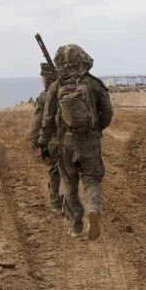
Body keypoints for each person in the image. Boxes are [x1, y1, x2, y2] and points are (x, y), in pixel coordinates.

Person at [38, 44, 113, 240]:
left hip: (66, 143)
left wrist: (43, 143)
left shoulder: (56, 86)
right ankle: (93, 209)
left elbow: (47, 119)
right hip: (90, 141)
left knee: (69, 183)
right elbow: (108, 113)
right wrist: (96, 129)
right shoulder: (94, 84)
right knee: (91, 180)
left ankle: (76, 225)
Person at [31, 62, 62, 213]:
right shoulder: (67, 92)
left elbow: (38, 121)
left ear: (48, 77)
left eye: (43, 77)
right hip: (74, 139)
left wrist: (36, 143)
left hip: (53, 139)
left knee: (55, 171)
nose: (42, 80)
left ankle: (57, 202)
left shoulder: (45, 96)